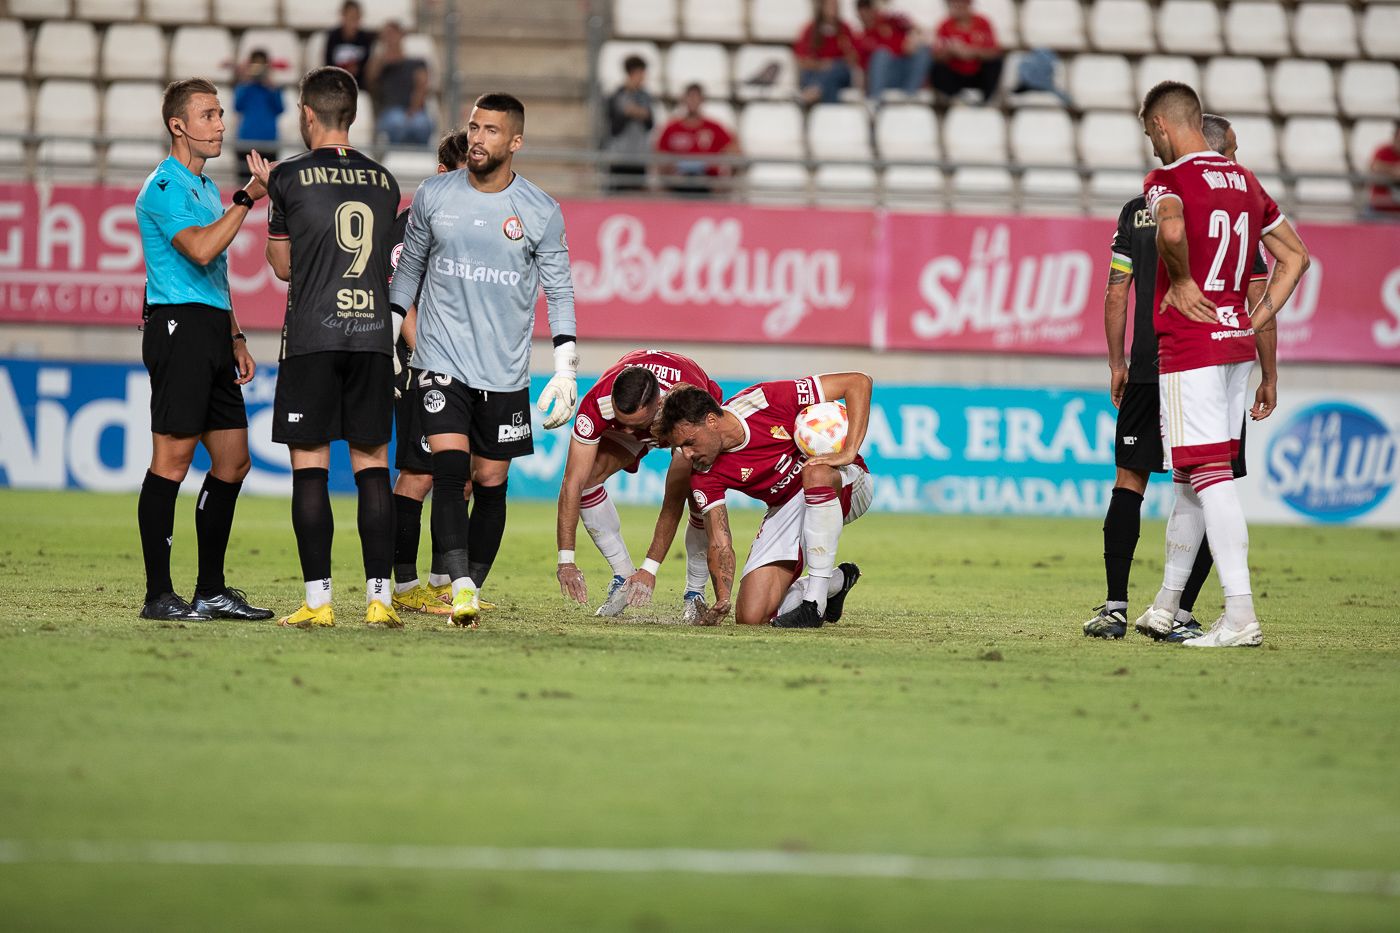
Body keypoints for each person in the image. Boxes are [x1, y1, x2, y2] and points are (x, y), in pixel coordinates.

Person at [1084, 111, 1277, 642]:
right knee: (1208, 479)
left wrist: (1118, 361)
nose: (1234, 161)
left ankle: (1117, 605)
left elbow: (1116, 291)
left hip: (1150, 365)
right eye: (1231, 150)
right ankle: (1183, 610)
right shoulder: (1228, 203)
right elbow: (1261, 292)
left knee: (1133, 481)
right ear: (1214, 149)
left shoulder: (1135, 210)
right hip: (1210, 358)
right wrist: (1268, 371)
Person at [388, 92, 578, 627]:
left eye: (491, 130)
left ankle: (469, 582)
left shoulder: (540, 211)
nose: (477, 137)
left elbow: (560, 292)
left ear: (514, 142)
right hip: (440, 361)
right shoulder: (434, 194)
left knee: (491, 482)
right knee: (448, 471)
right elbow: (408, 272)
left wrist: (565, 368)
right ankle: (459, 586)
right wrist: (388, 329)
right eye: (474, 127)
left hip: (505, 371)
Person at [1131, 81, 1310, 648]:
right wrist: (1256, 318)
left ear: (1162, 124)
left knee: (1209, 476)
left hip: (1192, 343)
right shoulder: (1246, 180)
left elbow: (1173, 227)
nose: (1152, 146)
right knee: (1192, 474)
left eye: (1149, 134)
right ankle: (1167, 604)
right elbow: (1295, 257)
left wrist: (1181, 280)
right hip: (1233, 342)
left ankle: (1239, 614)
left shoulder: (1168, 180)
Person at [247, 66, 402, 628]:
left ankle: (318, 602)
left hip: (312, 337)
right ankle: (380, 599)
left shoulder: (286, 177)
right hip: (371, 341)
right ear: (354, 116)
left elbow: (284, 266)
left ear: (306, 115)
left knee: (310, 470)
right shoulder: (385, 182)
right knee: (372, 467)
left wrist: (267, 196)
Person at [133, 78, 272, 622]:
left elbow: (215, 273)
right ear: (178, 125)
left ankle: (210, 590)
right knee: (171, 460)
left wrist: (235, 334)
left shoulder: (205, 188)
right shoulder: (163, 188)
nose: (220, 125)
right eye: (209, 115)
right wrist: (248, 199)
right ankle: (158, 595)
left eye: (219, 114)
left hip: (212, 329)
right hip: (177, 329)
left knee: (234, 461)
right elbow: (202, 247)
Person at [655, 373, 874, 629]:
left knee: (814, 472)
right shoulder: (703, 471)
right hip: (786, 504)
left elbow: (858, 382)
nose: (688, 454)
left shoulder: (765, 401)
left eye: (690, 442)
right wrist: (723, 598)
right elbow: (719, 540)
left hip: (845, 483)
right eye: (681, 447)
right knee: (751, 617)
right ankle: (836, 582)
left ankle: (814, 604)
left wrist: (848, 452)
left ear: (712, 420)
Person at [555, 350, 724, 621]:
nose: (629, 433)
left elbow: (672, 501)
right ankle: (623, 577)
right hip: (648, 409)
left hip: (691, 412)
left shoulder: (685, 413)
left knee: (696, 497)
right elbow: (571, 484)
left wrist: (650, 569)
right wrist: (566, 560)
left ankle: (695, 594)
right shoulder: (598, 403)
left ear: (658, 406)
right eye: (622, 423)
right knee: (587, 480)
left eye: (638, 425)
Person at [387, 129, 473, 617]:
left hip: (463, 365)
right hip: (423, 366)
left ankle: (443, 579)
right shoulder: (410, 228)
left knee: (459, 476)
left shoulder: (465, 225)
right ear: (442, 174)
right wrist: (432, 362)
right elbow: (408, 305)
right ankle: (404, 585)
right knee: (417, 476)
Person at [654, 84, 739, 197]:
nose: (693, 101)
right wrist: (666, 179)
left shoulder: (714, 128)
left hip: (708, 187)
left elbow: (736, 152)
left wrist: (724, 182)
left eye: (696, 98)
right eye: (690, 97)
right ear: (684, 99)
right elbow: (659, 156)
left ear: (702, 100)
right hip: (678, 185)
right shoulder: (671, 128)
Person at [366, 21, 433, 145]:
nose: (390, 38)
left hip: (415, 111)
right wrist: (382, 59)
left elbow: (422, 88)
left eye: (393, 34)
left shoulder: (416, 63)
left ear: (401, 36)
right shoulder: (380, 65)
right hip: (389, 111)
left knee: (422, 125)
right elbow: (369, 81)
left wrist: (412, 111)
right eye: (386, 35)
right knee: (397, 124)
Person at [855, 0, 931, 101]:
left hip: (904, 69)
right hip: (884, 78)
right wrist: (902, 48)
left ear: (874, 9)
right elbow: (863, 69)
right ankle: (874, 101)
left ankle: (909, 97)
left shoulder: (892, 20)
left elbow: (919, 30)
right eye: (862, 10)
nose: (866, 14)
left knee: (923, 51)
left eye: (868, 9)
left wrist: (913, 40)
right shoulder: (861, 38)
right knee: (881, 54)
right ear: (858, 14)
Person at [931, 0, 1003, 105]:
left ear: (969, 5)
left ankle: (986, 98)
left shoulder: (983, 22)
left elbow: (994, 52)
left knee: (995, 62)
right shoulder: (944, 25)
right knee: (937, 67)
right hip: (955, 73)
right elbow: (937, 56)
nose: (958, 8)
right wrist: (951, 51)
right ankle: (952, 97)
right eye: (954, 5)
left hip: (977, 73)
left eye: (962, 4)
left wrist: (973, 52)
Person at [794, 0, 862, 105]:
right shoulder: (810, 30)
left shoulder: (845, 29)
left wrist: (843, 54)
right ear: (822, 7)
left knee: (837, 68)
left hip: (839, 72)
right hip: (817, 72)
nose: (833, 9)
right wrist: (823, 65)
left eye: (835, 5)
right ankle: (828, 112)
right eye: (830, 5)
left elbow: (854, 59)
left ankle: (814, 91)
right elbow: (802, 61)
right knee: (830, 84)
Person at [233, 49, 284, 186]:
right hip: (246, 140)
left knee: (268, 184)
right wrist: (245, 80)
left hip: (269, 141)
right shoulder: (245, 86)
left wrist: (271, 86)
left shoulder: (272, 87)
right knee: (244, 185)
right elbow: (237, 106)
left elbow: (280, 108)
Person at [604, 55, 654, 193]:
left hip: (639, 157)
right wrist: (634, 113)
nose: (643, 78)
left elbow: (650, 122)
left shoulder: (645, 96)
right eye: (641, 74)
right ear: (633, 73)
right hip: (620, 157)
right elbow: (614, 127)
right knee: (617, 194)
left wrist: (632, 111)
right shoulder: (617, 95)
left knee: (637, 196)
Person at [323, 0, 375, 89]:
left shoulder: (365, 39)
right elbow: (328, 63)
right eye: (350, 16)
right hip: (336, 85)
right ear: (343, 16)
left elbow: (367, 66)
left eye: (356, 16)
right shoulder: (333, 37)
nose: (353, 20)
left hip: (358, 86)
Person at [1367, 121, 1400, 216]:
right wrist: (1394, 170)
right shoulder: (1383, 151)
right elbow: (1374, 166)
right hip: (1378, 209)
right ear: (1394, 137)